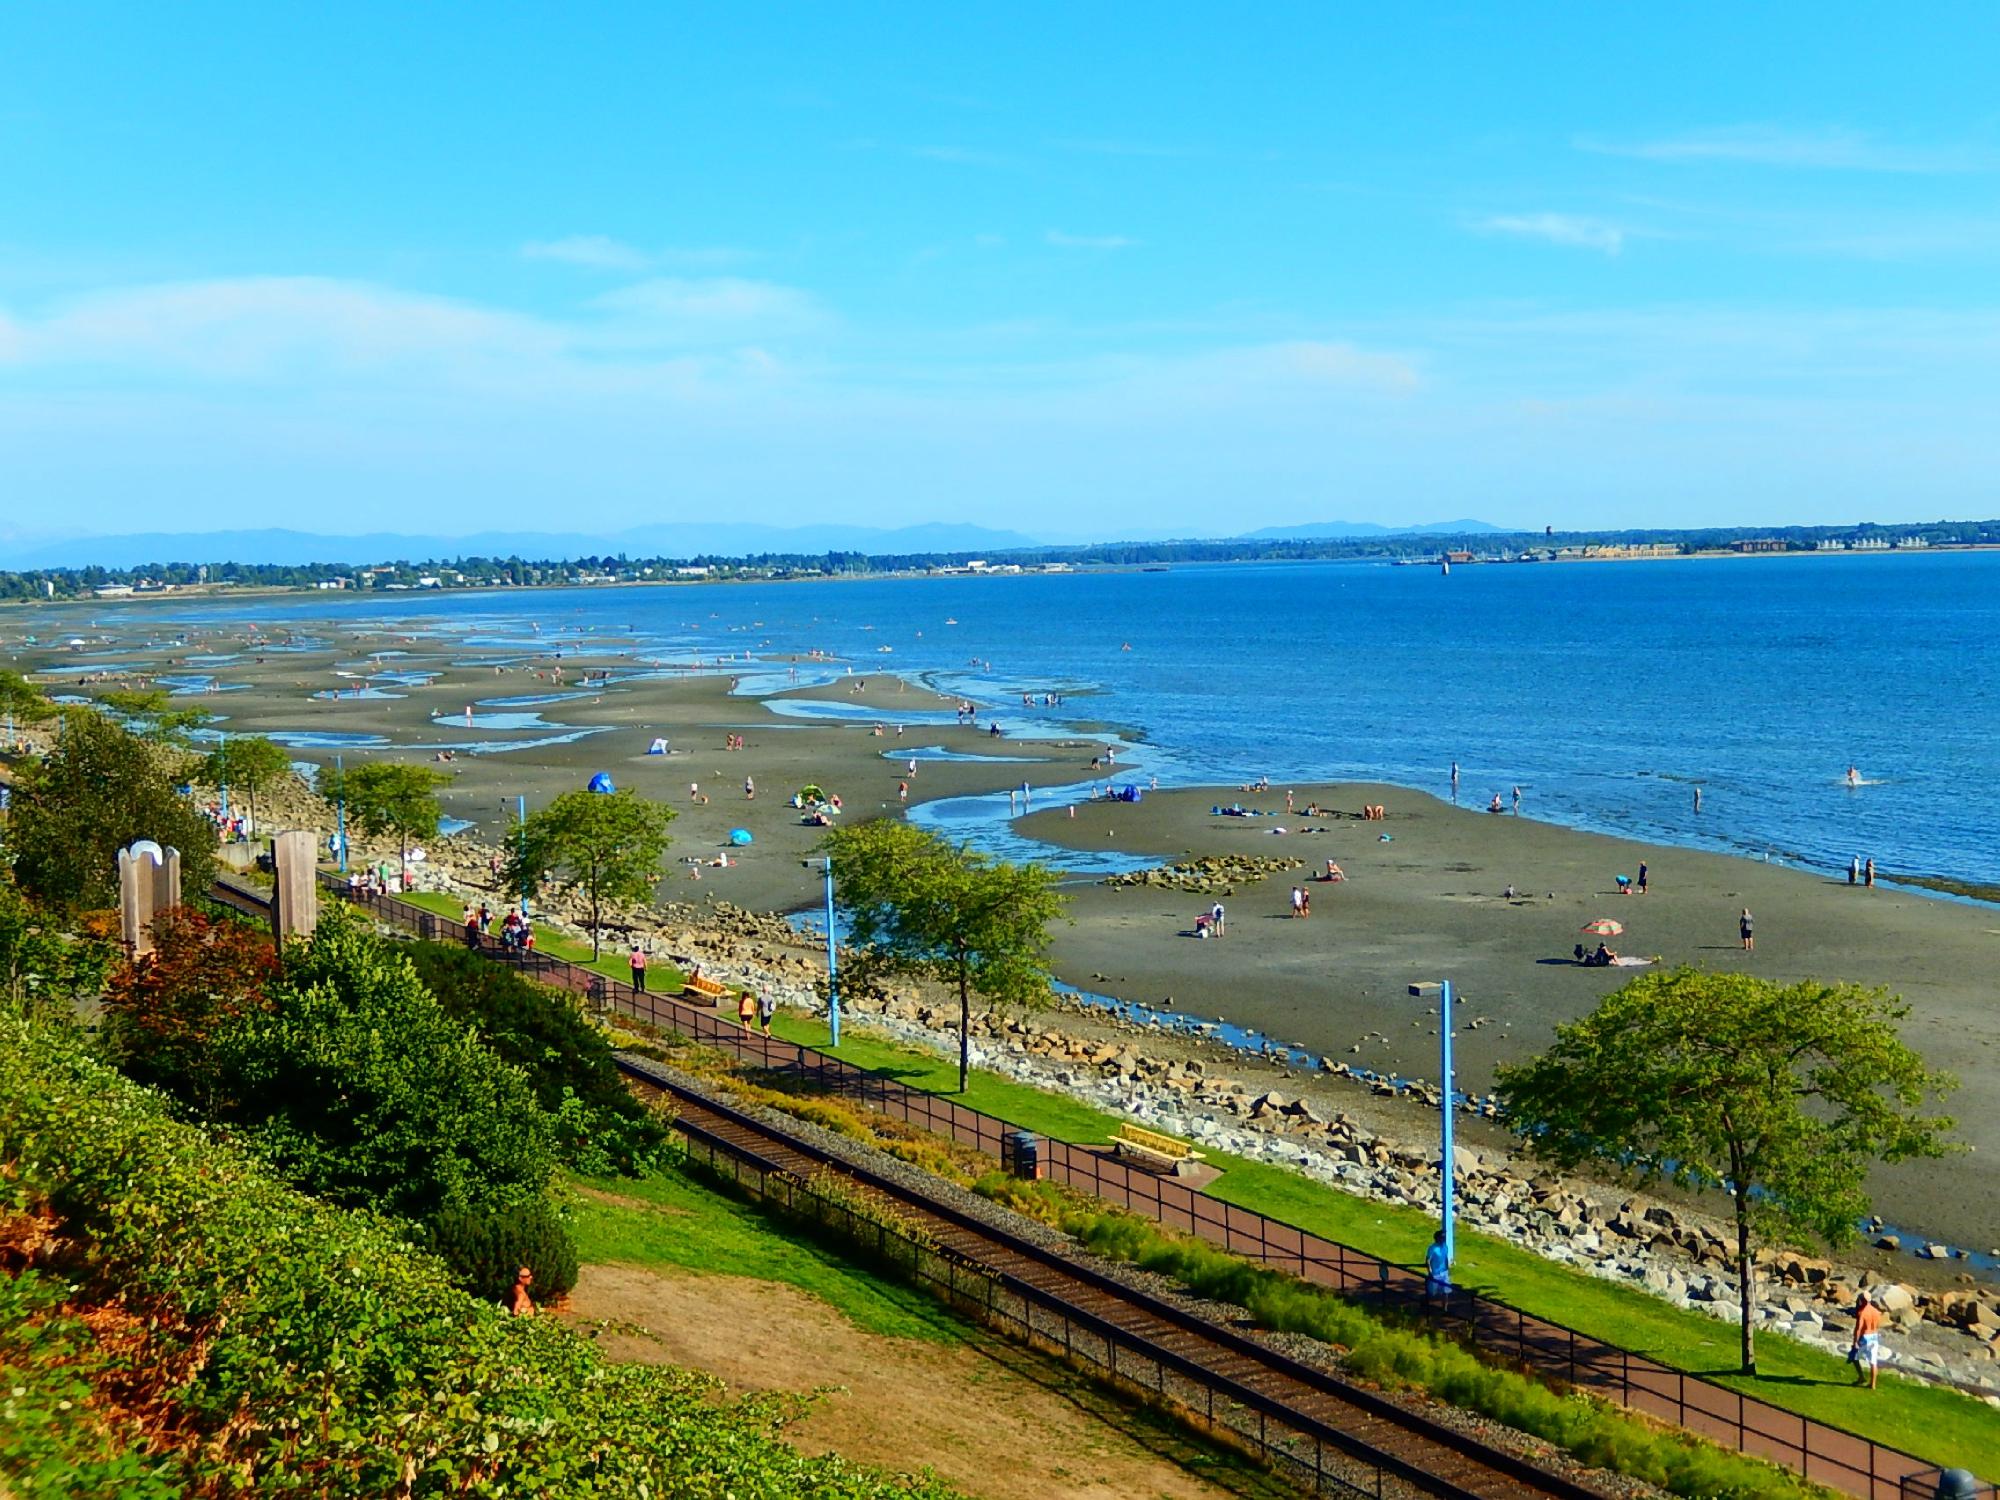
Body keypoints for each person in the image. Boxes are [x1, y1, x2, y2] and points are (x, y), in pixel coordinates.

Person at [1850, 1289, 1882, 1389]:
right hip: (1874, 1336)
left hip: (1865, 1336)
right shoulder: (1876, 1312)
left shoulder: (1862, 1313)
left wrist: (1855, 1341)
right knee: (1873, 1361)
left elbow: (1858, 1329)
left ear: (1862, 1300)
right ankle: (1873, 1384)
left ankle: (1861, 1376)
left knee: (1853, 1356)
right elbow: (1877, 1325)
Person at [1424, 1230, 1452, 1300]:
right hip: (1435, 1273)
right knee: (1432, 1293)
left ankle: (1444, 1309)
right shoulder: (1432, 1248)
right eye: (1442, 1237)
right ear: (1437, 1238)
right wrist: (1430, 1272)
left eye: (1444, 1237)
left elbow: (1445, 1257)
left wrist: (1447, 1268)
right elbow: (1428, 1260)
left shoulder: (1445, 1246)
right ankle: (1425, 1304)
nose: (1444, 1238)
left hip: (1444, 1273)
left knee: (1446, 1292)